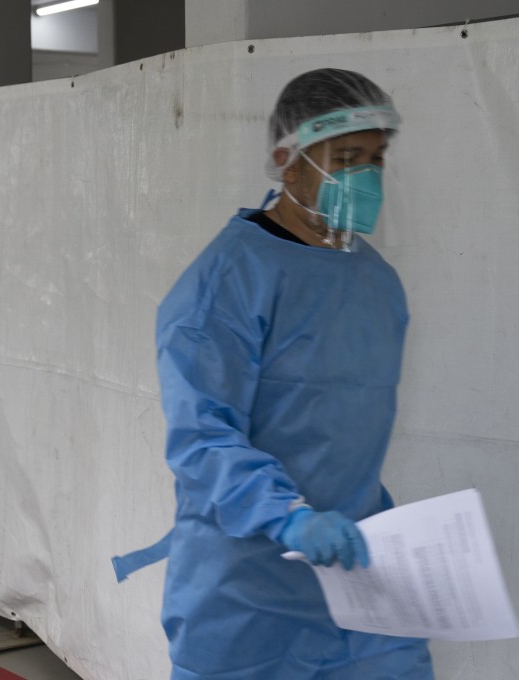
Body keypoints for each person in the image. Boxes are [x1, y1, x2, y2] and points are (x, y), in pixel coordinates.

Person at [115, 68, 433, 679]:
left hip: (356, 578)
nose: (364, 175)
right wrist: (290, 516)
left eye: (375, 158)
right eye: (345, 158)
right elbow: (203, 439)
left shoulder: (374, 281)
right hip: (246, 593)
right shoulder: (226, 283)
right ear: (288, 164)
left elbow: (348, 433)